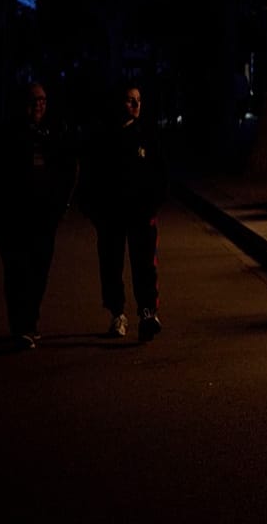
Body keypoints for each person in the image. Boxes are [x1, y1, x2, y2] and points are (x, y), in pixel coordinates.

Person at [0, 82, 78, 350]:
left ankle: (30, 321)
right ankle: (21, 326)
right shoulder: (5, 134)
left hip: (43, 217)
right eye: (34, 100)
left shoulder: (50, 133)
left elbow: (67, 167)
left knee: (39, 271)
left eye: (43, 100)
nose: (39, 105)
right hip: (13, 218)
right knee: (17, 272)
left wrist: (62, 203)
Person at [80, 82, 168, 342]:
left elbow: (160, 172)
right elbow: (90, 176)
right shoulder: (104, 137)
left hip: (141, 213)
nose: (136, 105)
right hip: (111, 215)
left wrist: (154, 204)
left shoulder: (147, 134)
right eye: (130, 100)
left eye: (138, 100)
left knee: (144, 266)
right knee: (111, 265)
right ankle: (117, 313)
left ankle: (147, 313)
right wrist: (95, 212)